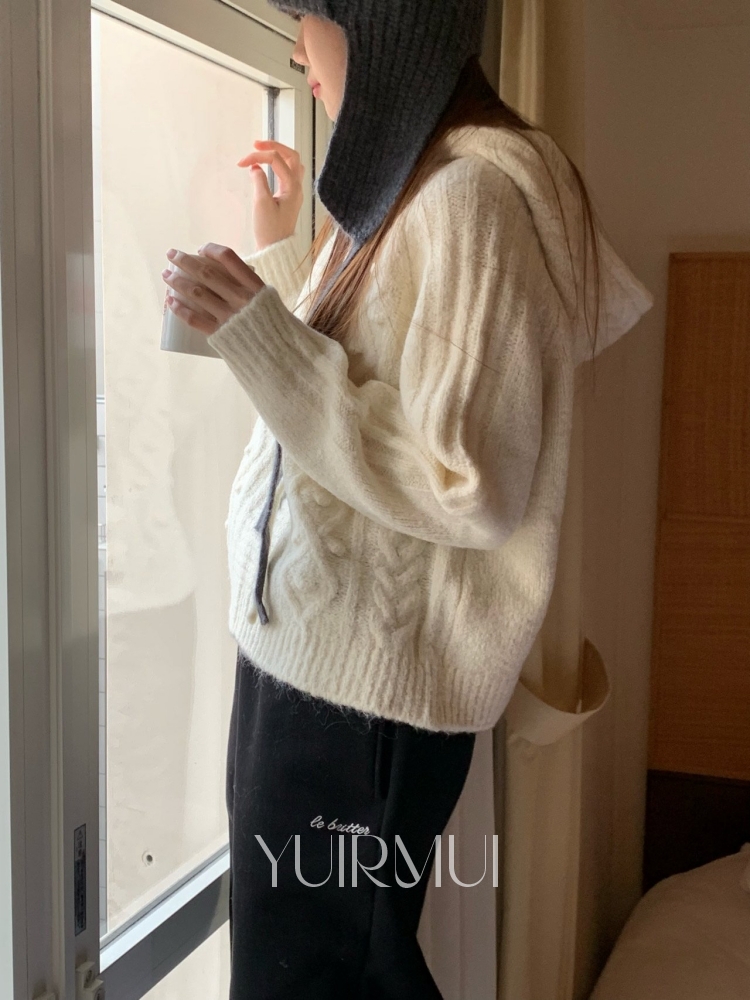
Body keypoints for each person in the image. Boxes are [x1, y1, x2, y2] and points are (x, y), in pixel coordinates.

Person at [161, 2, 654, 996]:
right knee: (319, 968)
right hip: (318, 675)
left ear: (381, 22)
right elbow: (377, 364)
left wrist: (262, 336)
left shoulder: (471, 201)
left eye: (310, 15)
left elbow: (464, 480)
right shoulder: (415, 186)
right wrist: (284, 260)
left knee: (323, 977)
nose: (296, 47)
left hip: (359, 704)